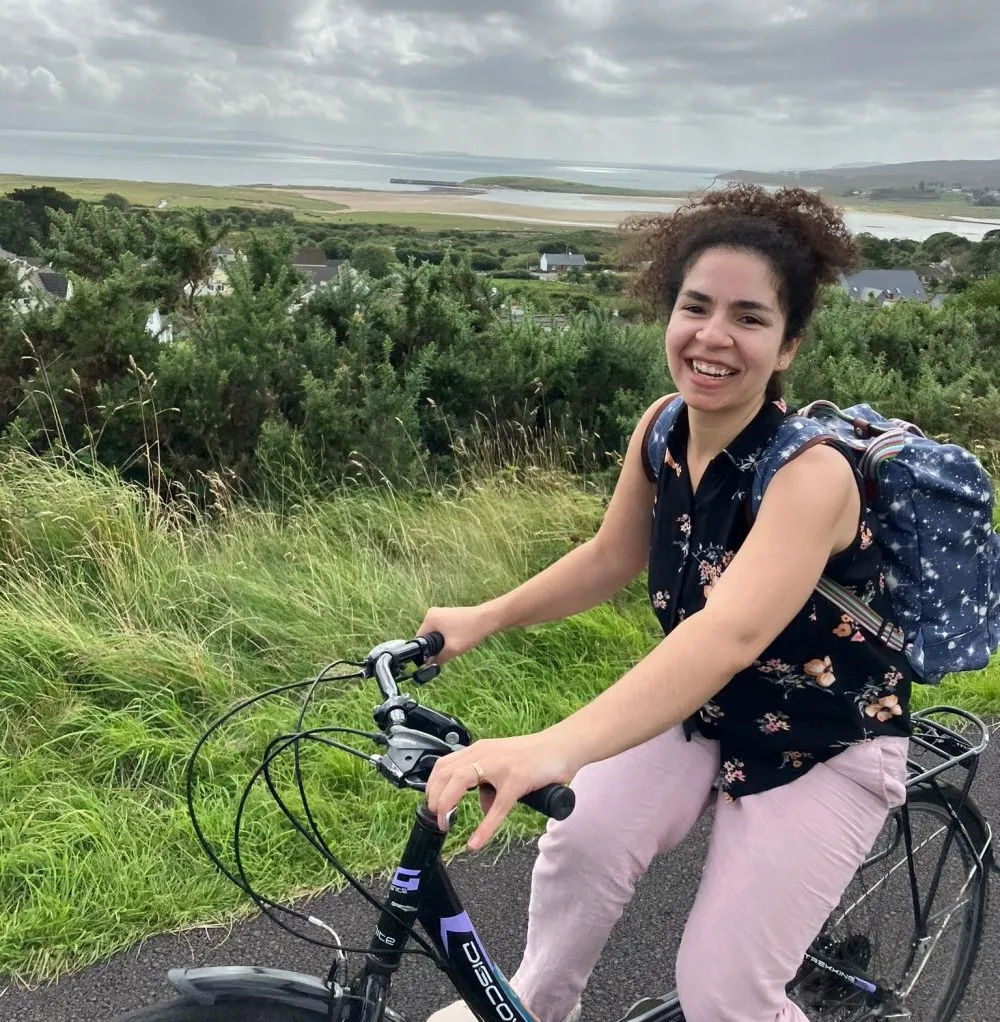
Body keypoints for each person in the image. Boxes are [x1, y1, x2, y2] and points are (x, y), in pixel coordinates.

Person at [420, 184, 912, 1022]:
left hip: (829, 736)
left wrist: (555, 744)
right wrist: (486, 615)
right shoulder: (663, 427)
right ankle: (536, 1004)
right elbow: (612, 555)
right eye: (696, 306)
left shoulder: (812, 475)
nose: (714, 337)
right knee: (581, 839)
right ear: (668, 313)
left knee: (724, 994)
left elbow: (729, 632)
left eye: (750, 318)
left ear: (788, 345)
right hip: (711, 709)